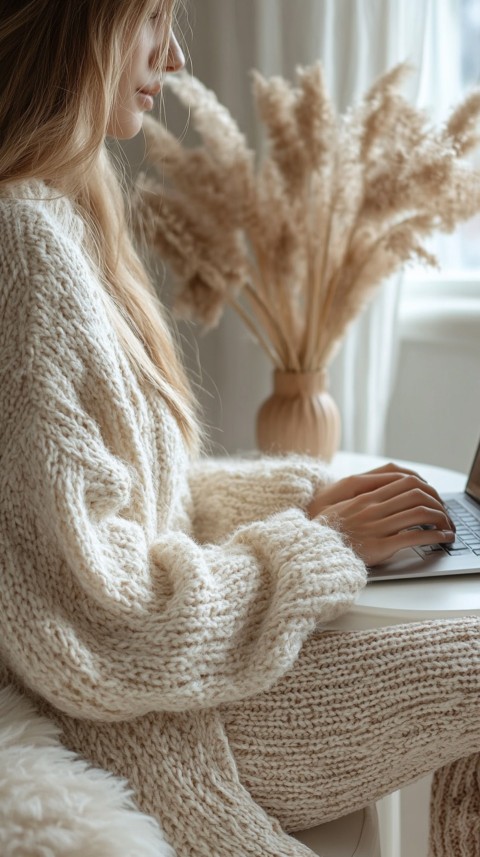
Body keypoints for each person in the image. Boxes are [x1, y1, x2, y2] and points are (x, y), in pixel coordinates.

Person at [0, 1, 479, 855]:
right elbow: (97, 625)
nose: (175, 56)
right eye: (151, 17)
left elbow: (141, 503)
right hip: (169, 724)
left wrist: (309, 494)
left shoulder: (60, 219)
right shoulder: (24, 243)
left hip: (188, 695)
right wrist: (319, 540)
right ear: (78, 25)